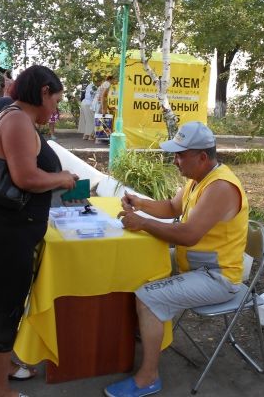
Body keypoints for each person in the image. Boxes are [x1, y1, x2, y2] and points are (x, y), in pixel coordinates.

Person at [104, 121, 249, 397]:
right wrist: (140, 204)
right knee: (138, 265)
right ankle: (144, 330)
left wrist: (143, 223)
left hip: (217, 278)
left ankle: (148, 377)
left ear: (202, 157)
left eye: (180, 155)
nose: (175, 161)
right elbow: (172, 207)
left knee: (148, 297)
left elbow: (188, 234)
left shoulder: (220, 187)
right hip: (197, 268)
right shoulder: (198, 180)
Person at [0, 65, 77, 397]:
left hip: (7, 229)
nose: (55, 110)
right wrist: (62, 178)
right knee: (7, 310)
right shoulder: (18, 120)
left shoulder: (15, 116)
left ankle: (5, 369)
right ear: (43, 92)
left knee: (6, 302)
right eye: (55, 101)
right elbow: (26, 178)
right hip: (7, 233)